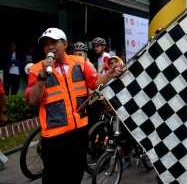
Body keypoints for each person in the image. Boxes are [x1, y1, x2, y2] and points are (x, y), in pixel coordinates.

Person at [25, 28, 124, 184]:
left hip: (79, 132)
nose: (49, 47)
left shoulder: (79, 62)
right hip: (54, 136)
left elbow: (94, 82)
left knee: (75, 173)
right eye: (46, 44)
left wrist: (110, 74)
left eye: (54, 42)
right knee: (53, 177)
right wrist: (42, 76)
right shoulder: (37, 69)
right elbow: (32, 100)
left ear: (64, 44)